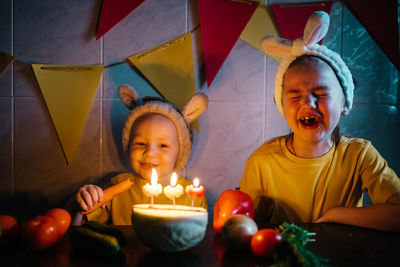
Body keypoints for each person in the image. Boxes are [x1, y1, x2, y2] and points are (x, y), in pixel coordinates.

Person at [239, 11, 400, 231]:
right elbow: (244, 228)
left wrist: (337, 215)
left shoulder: (360, 156)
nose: (308, 103)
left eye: (321, 93)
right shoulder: (261, 162)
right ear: (282, 107)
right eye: (295, 96)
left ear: (345, 105)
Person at [74, 85, 209, 225]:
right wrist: (86, 201)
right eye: (140, 144)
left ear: (180, 152)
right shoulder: (116, 187)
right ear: (129, 145)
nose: (150, 153)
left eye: (163, 145)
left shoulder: (193, 195)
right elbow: (82, 227)